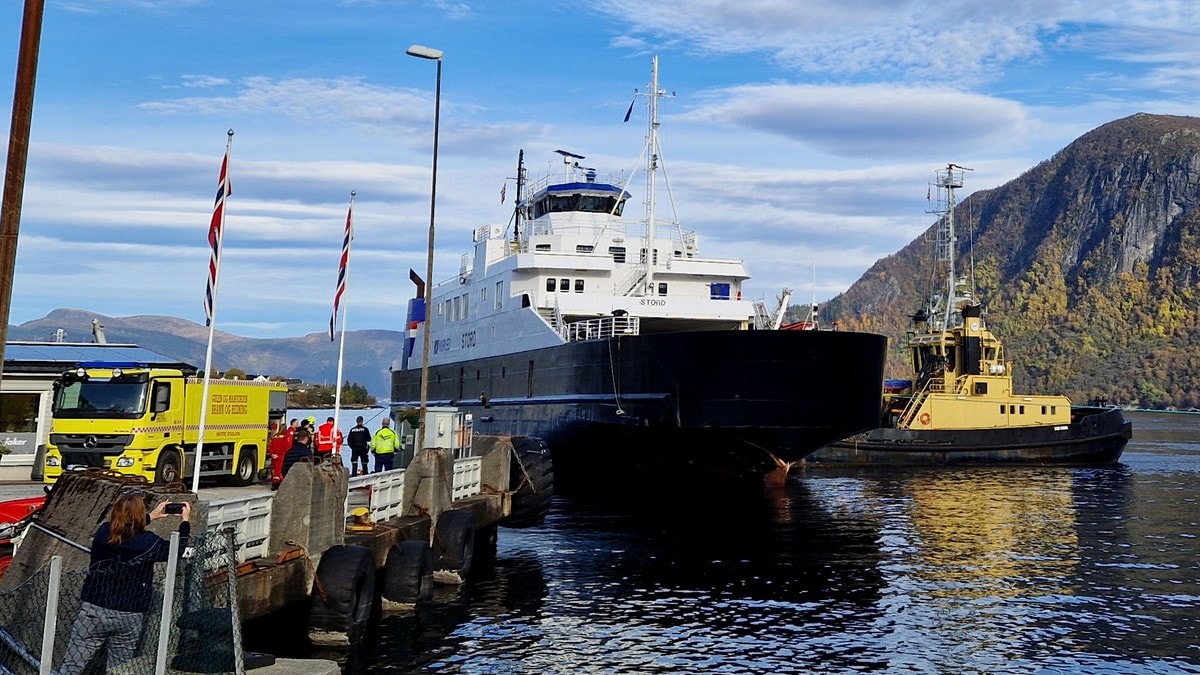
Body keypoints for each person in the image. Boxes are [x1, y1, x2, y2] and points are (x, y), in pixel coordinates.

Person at [60, 492, 191, 675]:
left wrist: (151, 516)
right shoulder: (150, 543)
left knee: (72, 665)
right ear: (139, 516)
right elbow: (177, 550)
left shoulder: (103, 533)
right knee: (119, 669)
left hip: (94, 609)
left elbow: (124, 529)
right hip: (130, 613)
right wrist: (185, 522)